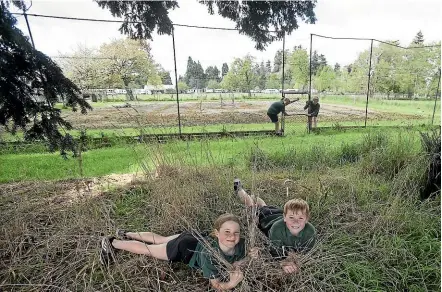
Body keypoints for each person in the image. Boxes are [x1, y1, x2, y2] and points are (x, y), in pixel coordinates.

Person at [100, 213, 255, 290]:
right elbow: (216, 284)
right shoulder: (209, 257)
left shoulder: (241, 243)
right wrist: (231, 283)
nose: (232, 236)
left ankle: (127, 234)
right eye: (226, 232)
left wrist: (248, 258)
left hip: (196, 237)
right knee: (149, 250)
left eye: (236, 233)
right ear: (216, 233)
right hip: (185, 248)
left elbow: (247, 254)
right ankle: (113, 242)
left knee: (161, 239)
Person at [233, 179, 316, 274]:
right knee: (251, 205)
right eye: (292, 218)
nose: (295, 222)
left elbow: (305, 254)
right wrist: (285, 262)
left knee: (264, 205)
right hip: (266, 218)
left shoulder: (310, 231)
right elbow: (275, 254)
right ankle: (239, 189)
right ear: (285, 218)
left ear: (307, 219)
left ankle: (252, 195)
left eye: (300, 218)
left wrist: (294, 259)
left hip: (278, 213)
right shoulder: (277, 229)